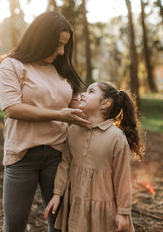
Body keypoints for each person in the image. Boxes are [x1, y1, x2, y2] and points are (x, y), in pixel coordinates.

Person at [0, 11, 91, 232]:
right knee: (15, 225)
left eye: (64, 46)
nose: (61, 51)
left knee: (59, 225)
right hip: (22, 155)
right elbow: (13, 109)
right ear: (41, 39)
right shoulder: (12, 65)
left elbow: (76, 104)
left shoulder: (61, 69)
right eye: (57, 44)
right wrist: (59, 115)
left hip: (58, 156)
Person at [45, 81, 145, 232]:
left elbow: (122, 177)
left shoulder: (116, 137)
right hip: (77, 203)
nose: (83, 94)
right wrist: (57, 194)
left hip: (104, 209)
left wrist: (123, 213)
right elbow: (65, 163)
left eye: (91, 92)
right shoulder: (73, 130)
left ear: (105, 103)